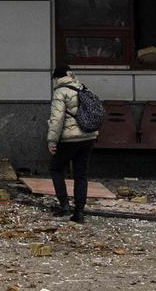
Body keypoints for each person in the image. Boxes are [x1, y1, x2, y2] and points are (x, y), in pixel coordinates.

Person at [47, 64, 97, 221]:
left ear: (57, 78)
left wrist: (52, 141)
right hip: (88, 136)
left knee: (55, 169)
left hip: (69, 138)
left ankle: (64, 207)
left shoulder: (60, 92)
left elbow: (57, 119)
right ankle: (79, 213)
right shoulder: (83, 88)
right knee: (81, 174)